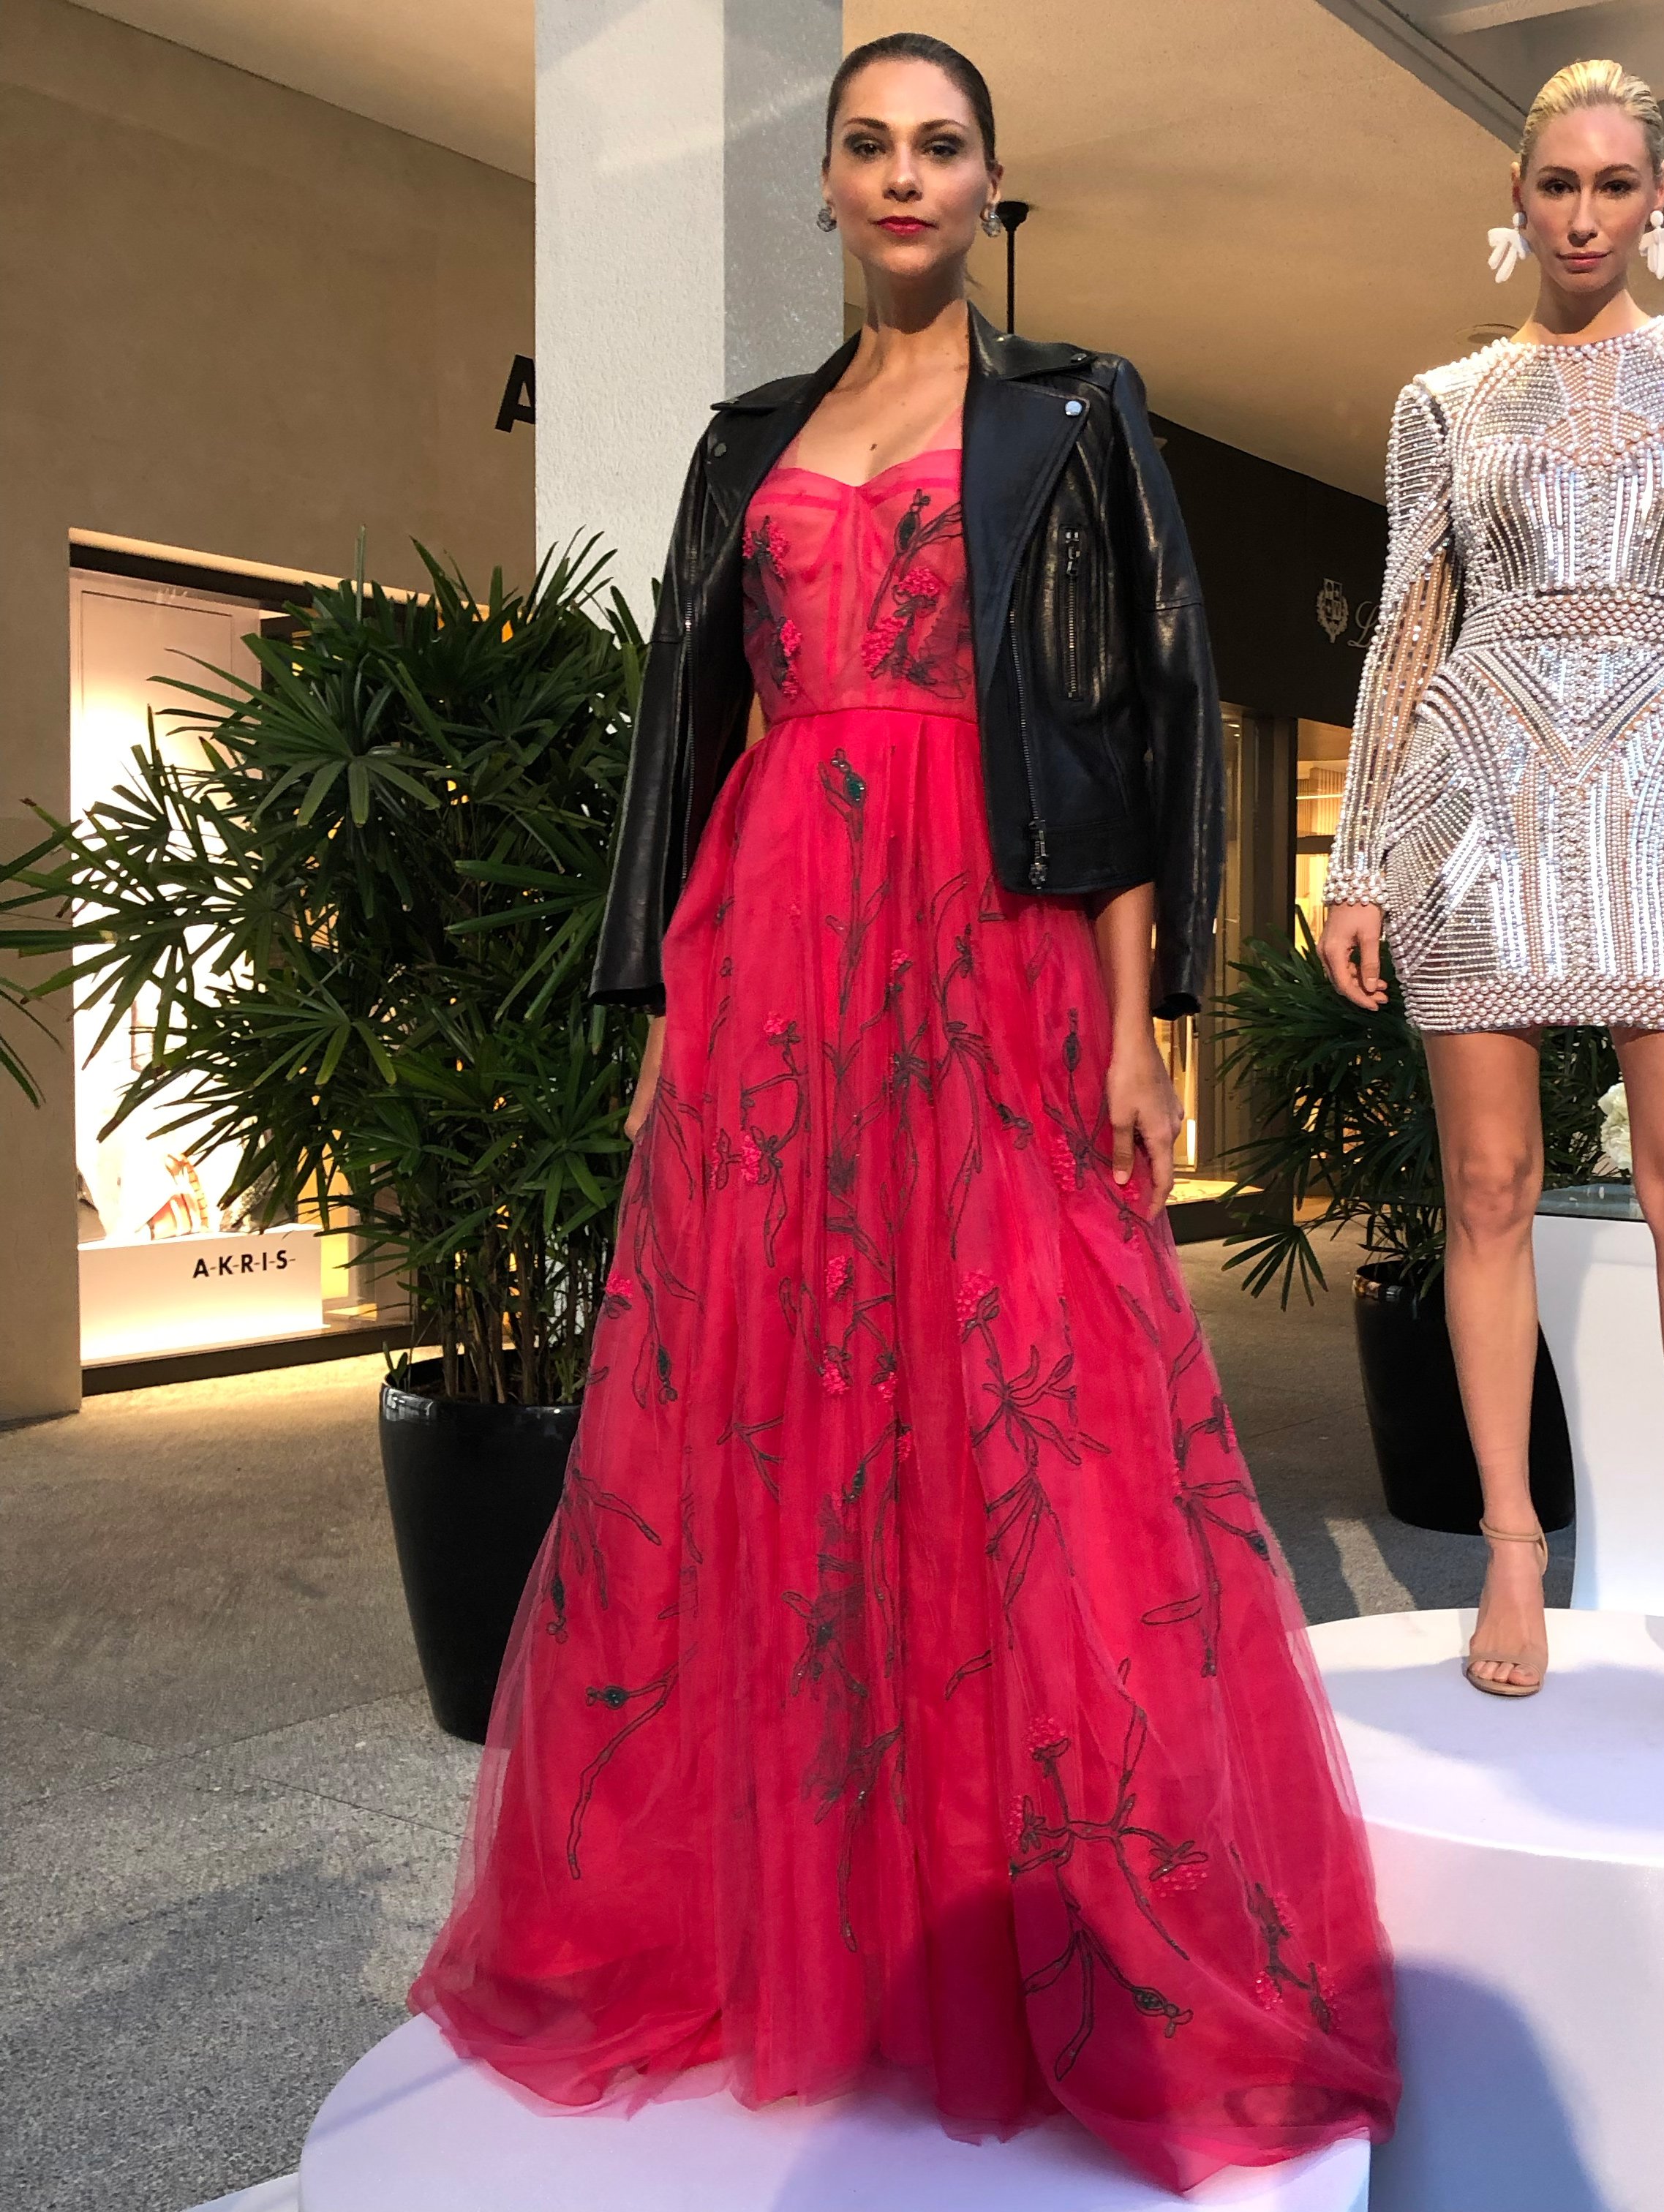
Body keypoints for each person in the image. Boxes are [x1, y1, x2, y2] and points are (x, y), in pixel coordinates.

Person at [412, 31, 1397, 2190]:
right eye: (867, 144)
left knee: (1026, 1390)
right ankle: (804, 1923)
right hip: (777, 936)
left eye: (941, 145)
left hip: (1001, 921)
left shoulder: (1076, 407)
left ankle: (1053, 1927)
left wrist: (1151, 1019)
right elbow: (694, 710)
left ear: (990, 178)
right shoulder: (749, 437)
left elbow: (1144, 708)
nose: (904, 176)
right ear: (829, 188)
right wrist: (660, 984)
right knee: (774, 1396)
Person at [1319, 59, 1664, 1760]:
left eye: (1616, 184)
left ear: (1660, 197)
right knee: (1487, 1187)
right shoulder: (1445, 402)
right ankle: (1514, 1553)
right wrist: (1357, 859)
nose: (1586, 213)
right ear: (1519, 198)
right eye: (1558, 184)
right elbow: (1404, 633)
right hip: (1477, 801)